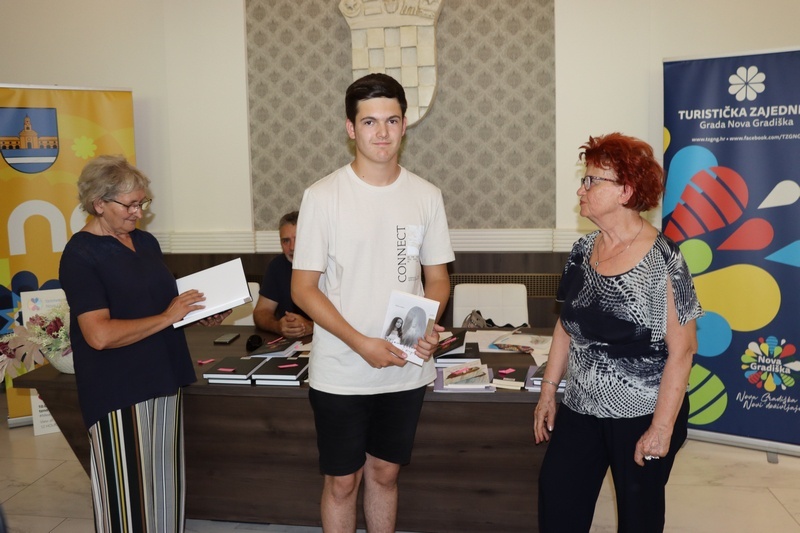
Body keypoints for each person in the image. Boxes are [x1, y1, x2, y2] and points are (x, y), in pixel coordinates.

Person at [291, 73, 454, 533]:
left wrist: (422, 329)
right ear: (351, 128)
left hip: (404, 364)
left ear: (404, 125)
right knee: (343, 482)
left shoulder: (426, 196)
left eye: (392, 120)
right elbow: (303, 288)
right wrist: (361, 343)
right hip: (342, 366)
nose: (382, 132)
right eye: (369, 122)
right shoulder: (322, 196)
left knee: (385, 474)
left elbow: (437, 279)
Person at [533, 133, 703, 532]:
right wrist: (548, 392)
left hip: (643, 414)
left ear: (625, 191)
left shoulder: (664, 259)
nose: (581, 189)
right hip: (580, 408)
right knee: (557, 502)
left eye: (592, 181)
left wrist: (661, 428)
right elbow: (566, 325)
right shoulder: (582, 250)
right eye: (584, 179)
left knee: (639, 518)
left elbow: (683, 351)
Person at [59, 155, 230, 533]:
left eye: (143, 203)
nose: (139, 212)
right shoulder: (80, 255)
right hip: (117, 388)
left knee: (166, 487)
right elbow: (99, 335)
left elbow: (155, 308)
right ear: (98, 204)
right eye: (130, 205)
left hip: (163, 374)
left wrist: (194, 313)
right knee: (127, 499)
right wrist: (169, 316)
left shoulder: (145, 242)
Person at [252, 210, 313, 338]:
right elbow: (261, 312)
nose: (292, 247)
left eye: (298, 239)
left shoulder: (330, 266)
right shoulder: (277, 266)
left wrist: (312, 327)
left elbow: (348, 318)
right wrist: (278, 326)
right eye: (286, 241)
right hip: (289, 343)